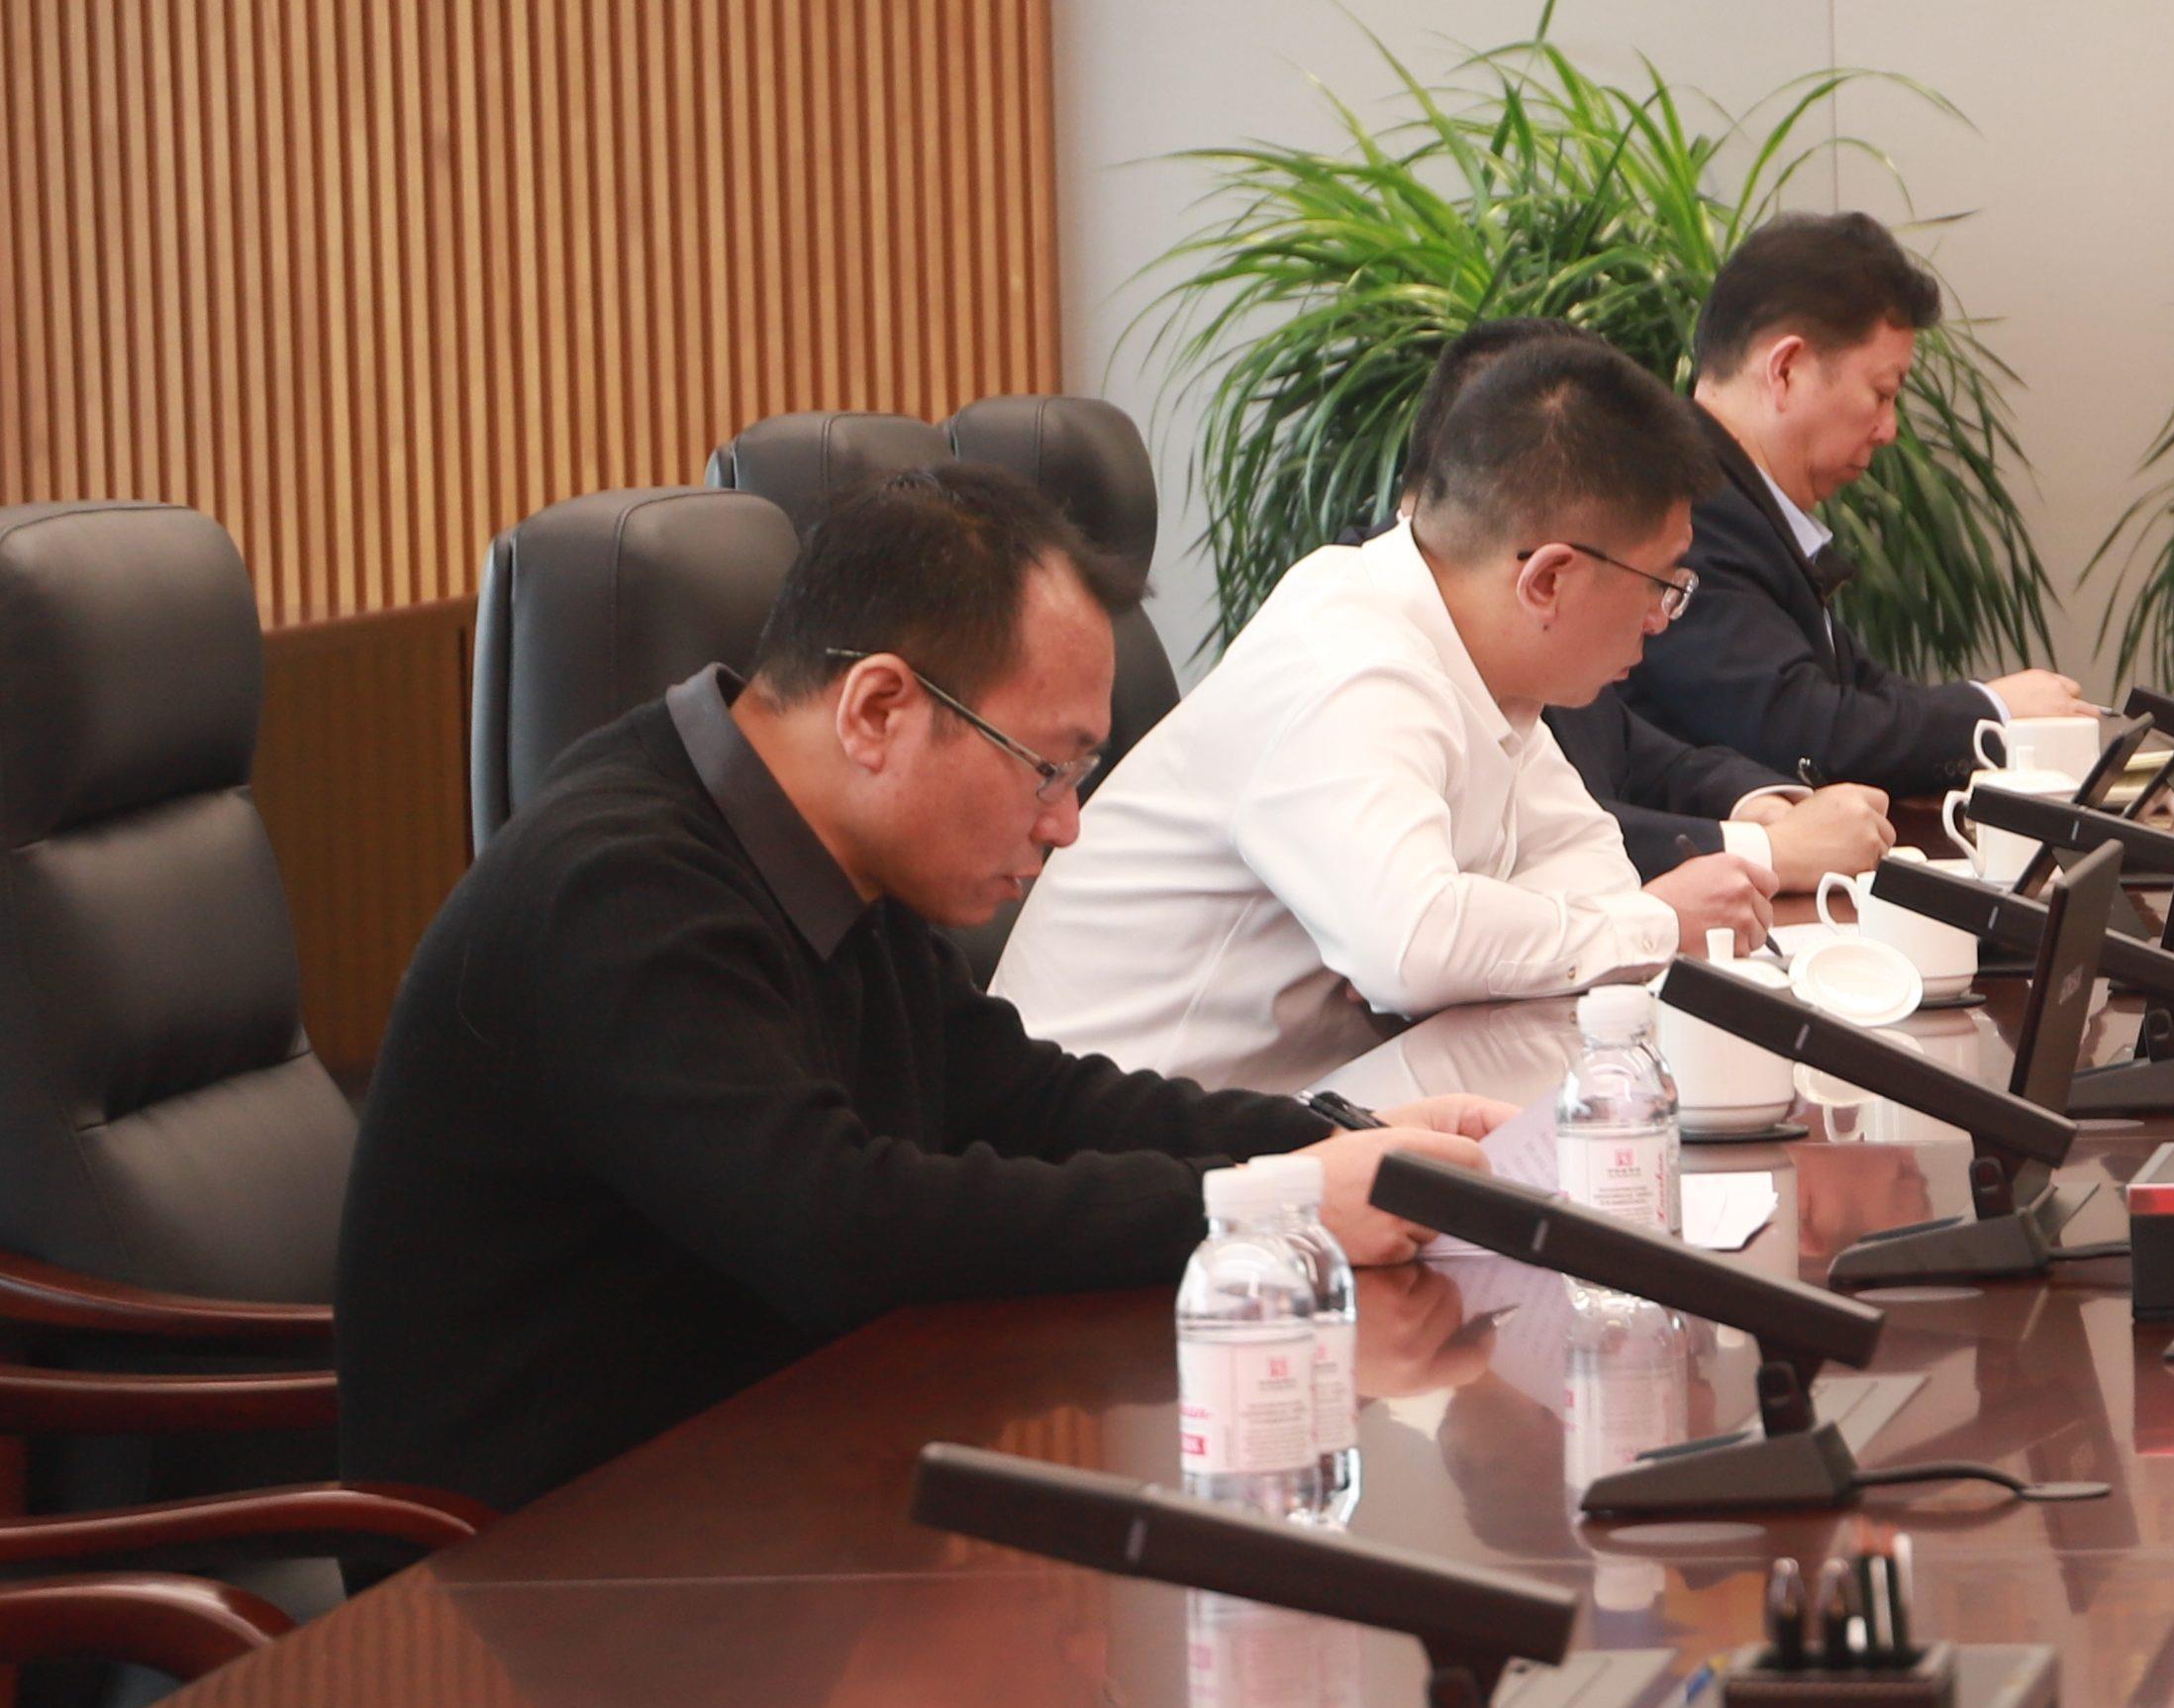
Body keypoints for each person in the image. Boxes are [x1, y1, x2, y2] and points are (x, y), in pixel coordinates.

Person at [339, 470, 1507, 1511]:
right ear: (877, 710)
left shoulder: (828, 850)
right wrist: (1271, 1205)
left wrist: (1333, 1141)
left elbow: (1029, 1101)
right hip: (544, 1559)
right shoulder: (621, 889)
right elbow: (838, 1225)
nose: (1067, 822)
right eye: (1047, 768)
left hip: (771, 1470)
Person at [995, 328, 1767, 1090]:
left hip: (1287, 1113)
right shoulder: (1348, 663)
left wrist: (1463, 946)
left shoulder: (1479, 660)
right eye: (1662, 584)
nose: (1663, 618)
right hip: (1110, 1129)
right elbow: (1416, 949)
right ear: (1547, 581)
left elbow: (1582, 865)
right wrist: (1658, 922)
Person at [1412, 315, 1892, 889]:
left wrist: (1758, 807)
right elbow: (1435, 919)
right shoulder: (1369, 648)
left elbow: (1594, 812)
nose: (1660, 617)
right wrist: (1768, 850)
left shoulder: (1531, 623)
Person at [1627, 212, 2089, 793]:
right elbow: (1802, 734)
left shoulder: (1745, 505)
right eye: (1882, 393)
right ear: (1786, 370)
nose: (1889, 431)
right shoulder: (1683, 508)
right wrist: (1992, 711)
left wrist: (2008, 720)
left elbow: (1866, 693)